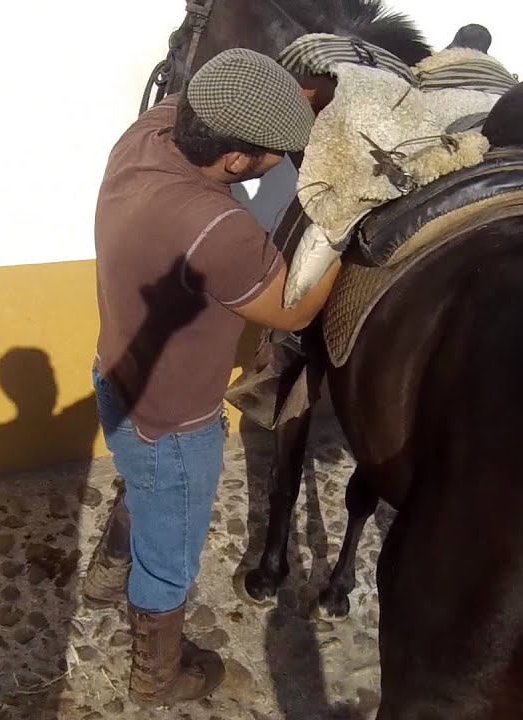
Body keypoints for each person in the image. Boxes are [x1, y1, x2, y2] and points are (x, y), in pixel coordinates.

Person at [84, 48, 341, 707]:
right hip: (175, 423)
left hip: (116, 378)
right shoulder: (218, 227)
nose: (280, 161)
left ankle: (106, 576)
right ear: (234, 162)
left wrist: (290, 98)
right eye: (273, 153)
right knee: (170, 561)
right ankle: (157, 676)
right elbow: (296, 305)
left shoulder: (145, 136)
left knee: (140, 482)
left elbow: (214, 86)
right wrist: (348, 220)